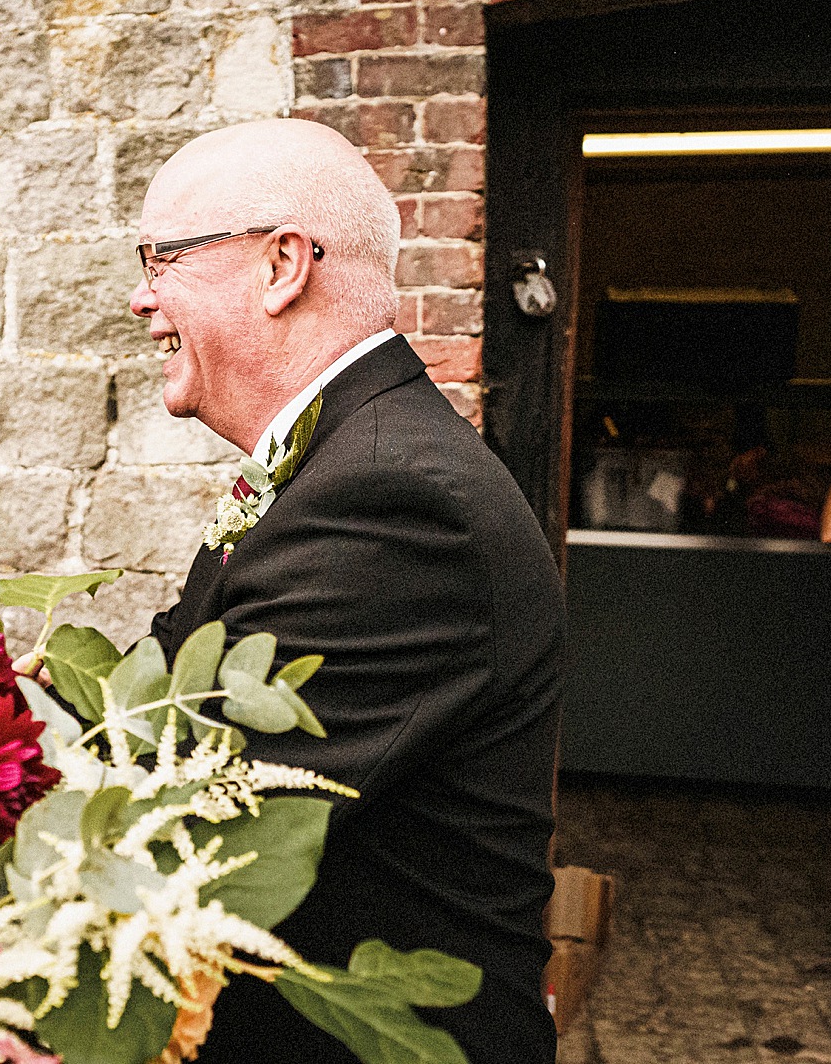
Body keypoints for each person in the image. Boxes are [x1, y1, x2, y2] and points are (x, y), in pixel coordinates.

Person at [134, 120, 565, 1064]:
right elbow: (169, 678)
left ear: (282, 264)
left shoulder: (395, 499)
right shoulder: (348, 460)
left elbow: (191, 804)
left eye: (159, 258)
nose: (141, 298)